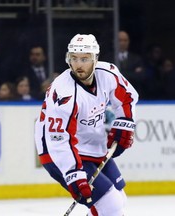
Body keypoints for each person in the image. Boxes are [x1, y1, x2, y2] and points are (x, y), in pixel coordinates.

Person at [34, 34, 138, 215]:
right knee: (110, 203)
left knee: (118, 199)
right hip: (57, 152)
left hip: (91, 144)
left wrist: (125, 123)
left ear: (95, 59)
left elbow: (128, 97)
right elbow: (58, 139)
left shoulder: (108, 74)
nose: (78, 65)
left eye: (84, 59)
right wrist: (74, 173)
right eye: (74, 58)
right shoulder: (63, 93)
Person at [117, 31, 146, 99]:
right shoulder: (108, 58)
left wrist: (119, 74)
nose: (122, 43)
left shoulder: (136, 59)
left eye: (125, 40)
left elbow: (141, 77)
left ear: (129, 42)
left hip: (133, 97)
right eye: (120, 40)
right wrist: (132, 73)